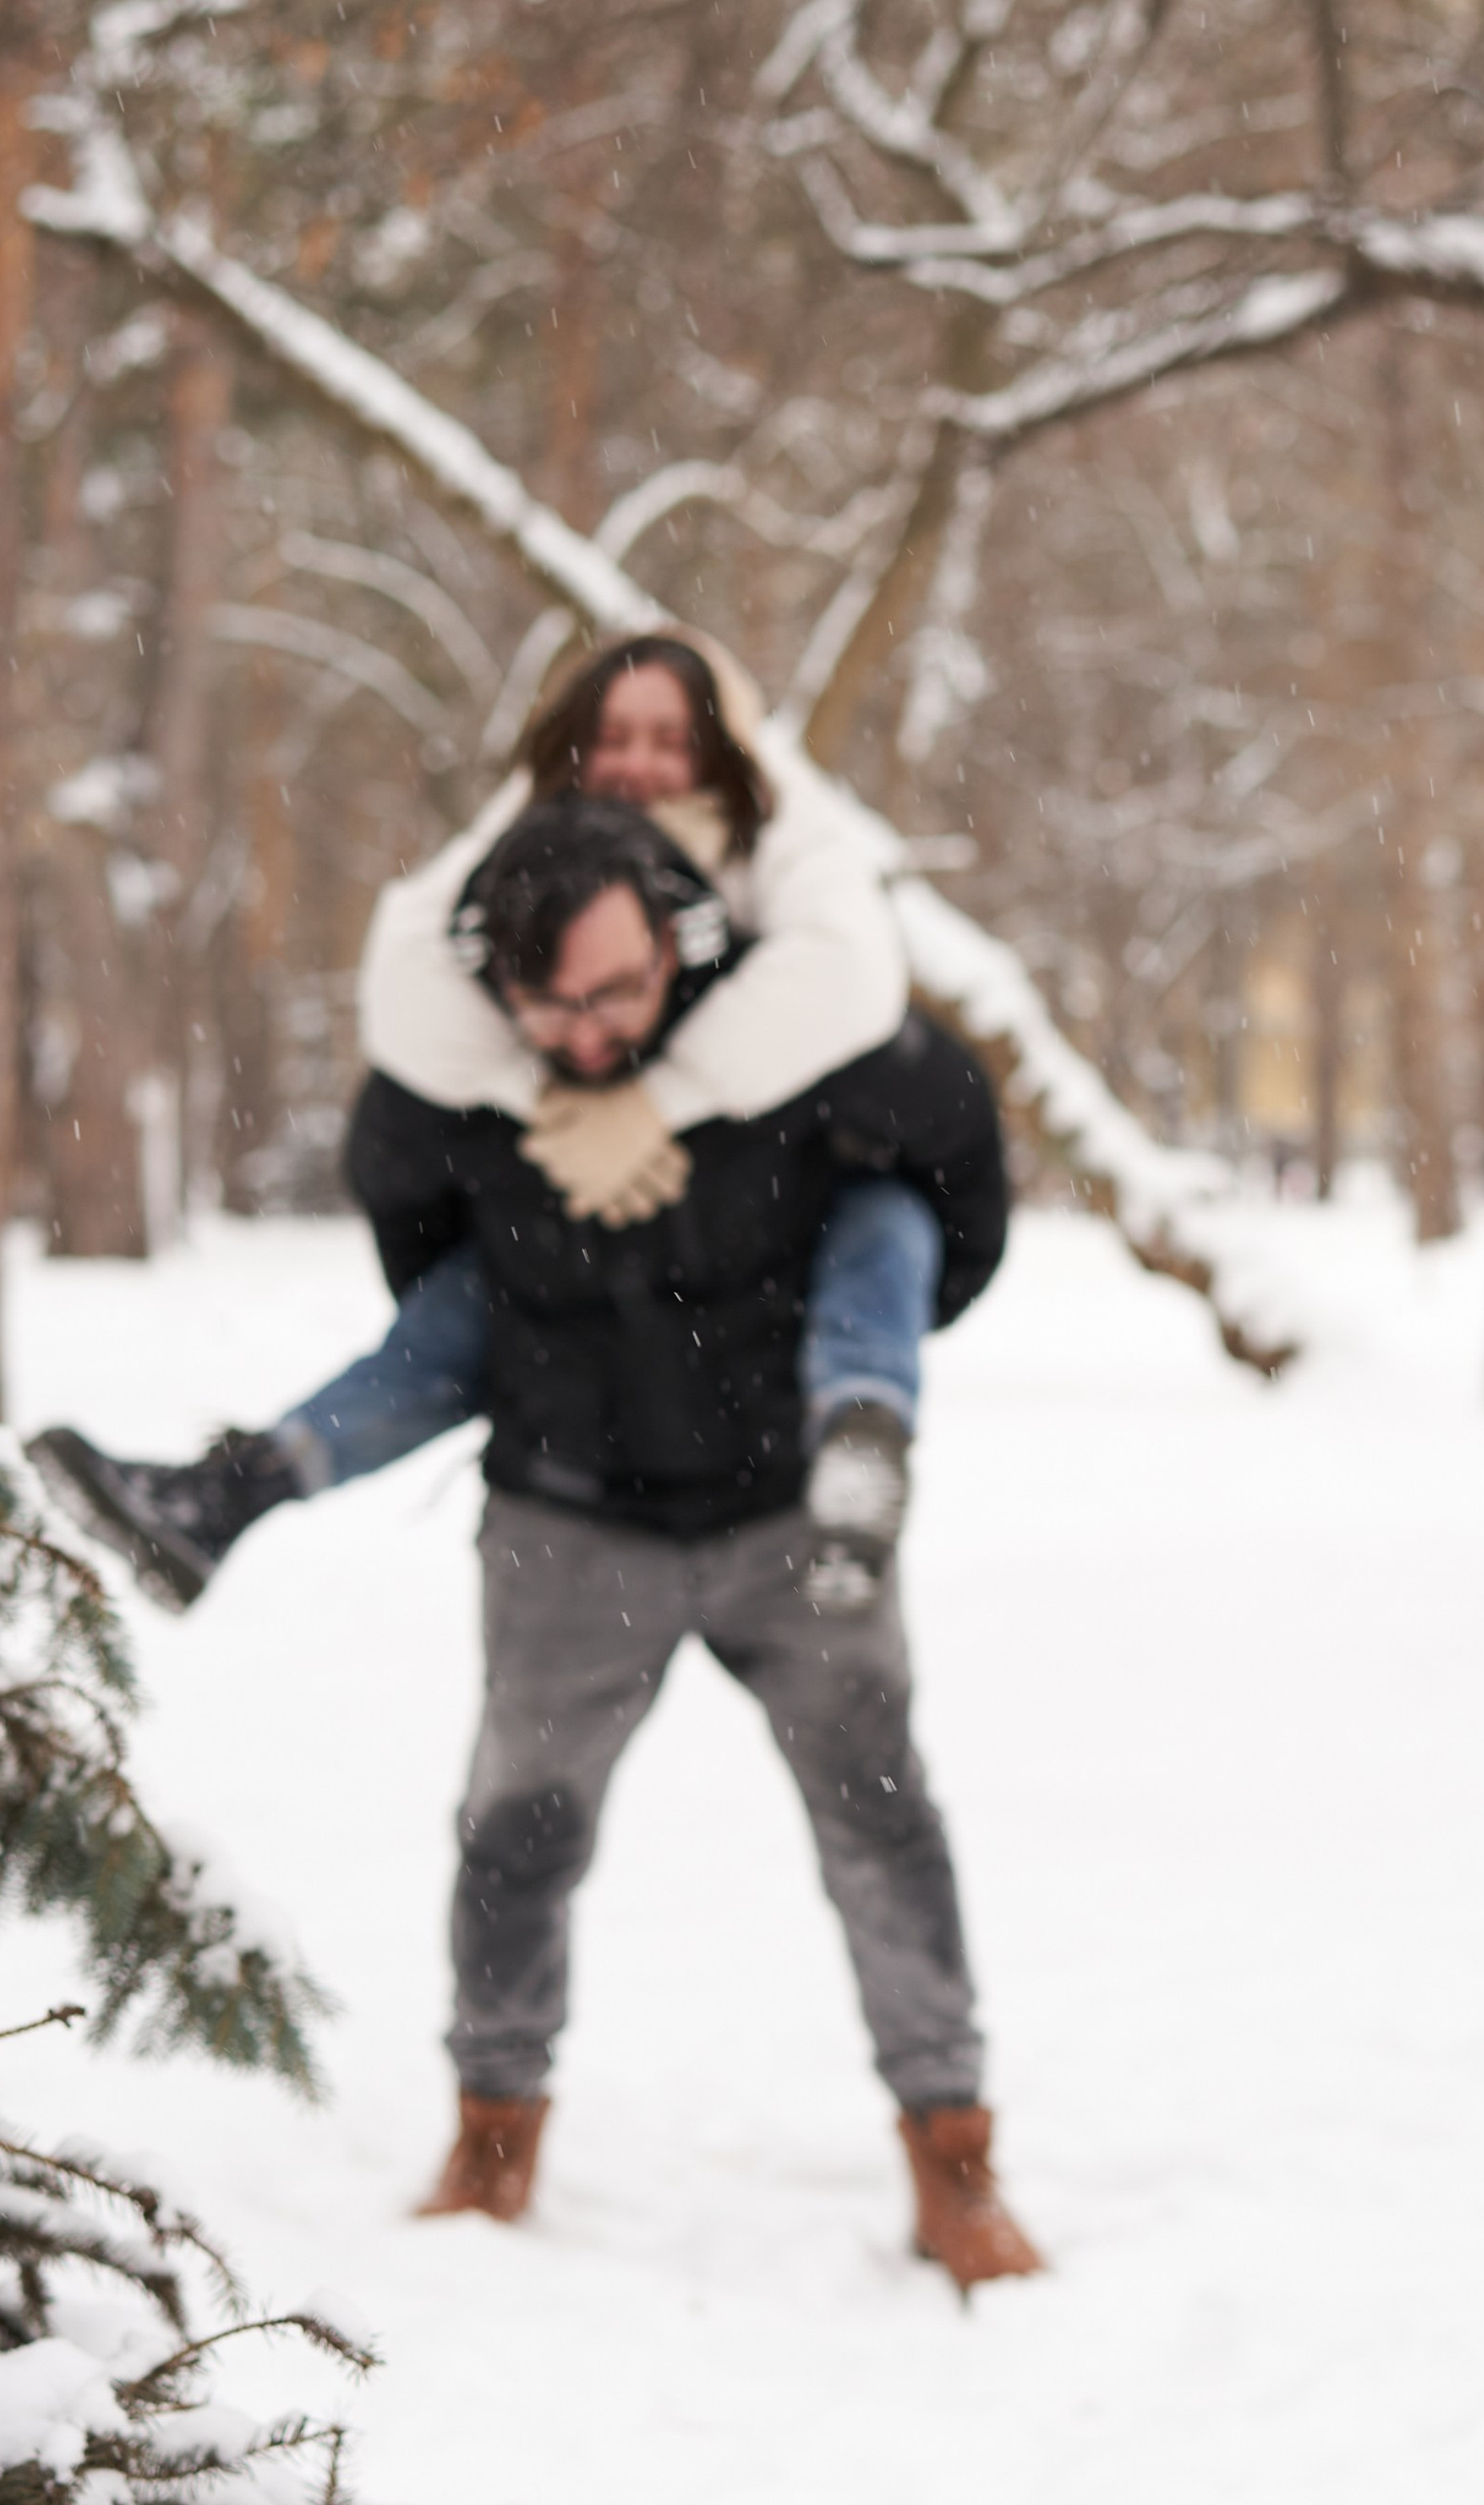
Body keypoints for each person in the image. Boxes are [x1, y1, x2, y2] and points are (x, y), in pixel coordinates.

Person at [357, 799, 1039, 2281]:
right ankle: (492, 2133)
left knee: (883, 1827)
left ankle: (954, 2156)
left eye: (617, 990)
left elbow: (954, 1162)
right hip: (570, 1519)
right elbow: (407, 1223)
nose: (587, 1032)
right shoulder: (467, 1073)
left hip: (794, 1515)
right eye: (548, 1003)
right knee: (515, 1834)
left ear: (683, 935)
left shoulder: (798, 1019)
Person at [32, 633, 934, 1616]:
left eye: (669, 738)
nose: (635, 764)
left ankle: (861, 1434)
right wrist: (549, 1102)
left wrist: (655, 1105)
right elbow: (404, 978)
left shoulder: (784, 833)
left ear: (725, 751)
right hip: (581, 1229)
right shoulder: (540, 828)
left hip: (768, 1216)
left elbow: (852, 973)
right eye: (612, 736)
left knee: (884, 1225)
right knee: (480, 1301)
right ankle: (236, 1488)